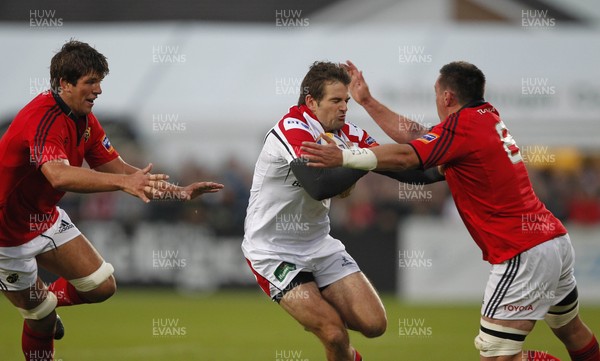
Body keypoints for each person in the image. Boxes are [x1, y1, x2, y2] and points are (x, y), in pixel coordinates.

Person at [301, 60, 600, 361]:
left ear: (446, 98)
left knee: (499, 356)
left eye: (435, 94)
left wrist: (344, 156)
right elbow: (417, 136)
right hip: (553, 241)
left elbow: (408, 156)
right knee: (572, 331)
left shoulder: (464, 128)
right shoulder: (484, 117)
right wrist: (367, 101)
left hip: (523, 252)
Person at [0, 40, 223, 361]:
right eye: (91, 81)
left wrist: (180, 191)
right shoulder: (42, 119)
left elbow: (120, 168)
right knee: (41, 318)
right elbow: (59, 175)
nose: (99, 90)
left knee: (101, 286)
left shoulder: (83, 119)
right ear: (64, 83)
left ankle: (46, 298)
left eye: (100, 81)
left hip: (45, 217)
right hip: (6, 233)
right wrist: (123, 183)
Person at [242, 61, 444, 361]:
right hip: (273, 251)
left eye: (346, 101)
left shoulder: (349, 134)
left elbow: (407, 171)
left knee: (375, 324)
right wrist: (358, 159)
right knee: (334, 334)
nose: (344, 108)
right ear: (311, 101)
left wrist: (448, 164)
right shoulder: (292, 128)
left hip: (318, 244)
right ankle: (325, 322)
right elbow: (319, 185)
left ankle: (329, 319)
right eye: (336, 101)